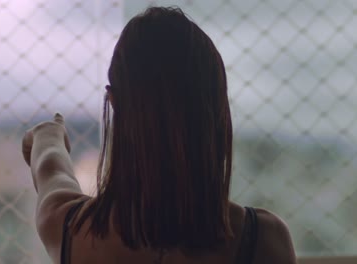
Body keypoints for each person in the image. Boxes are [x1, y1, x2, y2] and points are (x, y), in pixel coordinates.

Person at [22, 6, 296, 264]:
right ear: (216, 108)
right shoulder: (261, 240)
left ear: (114, 101)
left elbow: (51, 168)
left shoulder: (69, 229)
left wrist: (49, 135)